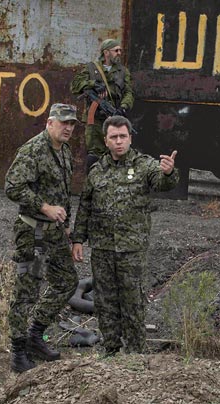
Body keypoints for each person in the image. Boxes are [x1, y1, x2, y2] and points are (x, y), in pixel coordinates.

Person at [71, 116, 179, 356]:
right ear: (106, 141)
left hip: (132, 250)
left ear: (130, 138)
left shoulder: (144, 165)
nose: (119, 141)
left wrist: (169, 173)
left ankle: (135, 354)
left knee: (133, 302)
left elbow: (161, 182)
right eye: (114, 137)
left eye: (123, 136)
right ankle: (111, 350)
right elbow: (85, 205)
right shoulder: (97, 170)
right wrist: (78, 239)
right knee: (105, 301)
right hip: (102, 249)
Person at [5, 103, 80, 373]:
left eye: (71, 124)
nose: (68, 128)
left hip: (55, 232)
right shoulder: (33, 150)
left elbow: (63, 192)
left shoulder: (65, 151)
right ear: (49, 123)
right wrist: (44, 207)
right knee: (26, 292)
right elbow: (12, 186)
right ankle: (18, 352)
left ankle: (35, 334)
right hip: (33, 231)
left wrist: (67, 227)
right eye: (63, 122)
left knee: (67, 282)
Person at [70, 39, 134, 172]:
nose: (119, 53)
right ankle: (92, 181)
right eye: (116, 50)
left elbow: (129, 92)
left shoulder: (123, 71)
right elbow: (75, 85)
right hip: (95, 120)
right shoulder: (91, 68)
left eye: (120, 50)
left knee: (116, 152)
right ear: (106, 52)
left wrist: (123, 107)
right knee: (94, 154)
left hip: (114, 117)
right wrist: (92, 84)